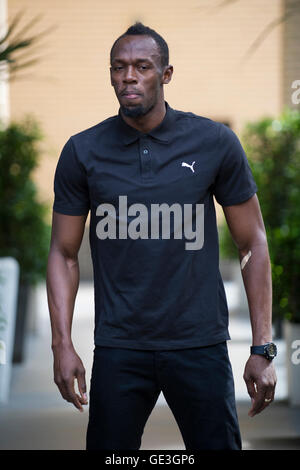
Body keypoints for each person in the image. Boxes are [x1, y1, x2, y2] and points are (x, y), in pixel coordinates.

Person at [46, 22, 277, 451]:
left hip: (199, 343)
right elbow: (63, 253)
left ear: (166, 74)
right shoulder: (83, 150)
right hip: (119, 345)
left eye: (141, 66)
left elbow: (253, 243)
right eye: (118, 67)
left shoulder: (214, 142)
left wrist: (262, 346)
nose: (127, 76)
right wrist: (62, 345)